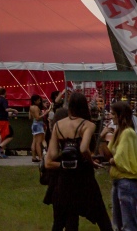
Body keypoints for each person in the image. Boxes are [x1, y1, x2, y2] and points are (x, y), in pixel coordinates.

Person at [45, 92, 112, 231]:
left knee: (69, 215)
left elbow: (52, 154)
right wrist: (91, 161)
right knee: (100, 214)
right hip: (83, 175)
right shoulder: (88, 125)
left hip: (66, 177)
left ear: (69, 106)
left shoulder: (58, 125)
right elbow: (83, 148)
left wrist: (65, 154)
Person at [103, 101, 137, 231]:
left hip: (127, 181)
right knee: (117, 223)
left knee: (128, 223)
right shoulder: (118, 132)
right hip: (118, 181)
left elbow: (119, 158)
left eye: (113, 114)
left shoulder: (128, 133)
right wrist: (102, 136)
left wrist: (112, 160)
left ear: (120, 115)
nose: (111, 117)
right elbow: (108, 153)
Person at [0, 88, 18, 157]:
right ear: (5, 93)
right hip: (3, 121)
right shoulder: (4, 100)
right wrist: (14, 110)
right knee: (10, 135)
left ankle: (0, 151)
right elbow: (6, 109)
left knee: (0, 136)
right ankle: (0, 147)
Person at [29, 95, 48, 163]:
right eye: (39, 100)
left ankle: (34, 157)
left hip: (34, 124)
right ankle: (40, 157)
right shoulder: (36, 107)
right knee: (38, 142)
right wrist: (45, 113)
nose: (40, 101)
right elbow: (37, 117)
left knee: (34, 142)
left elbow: (30, 117)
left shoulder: (31, 107)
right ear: (35, 101)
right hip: (38, 124)